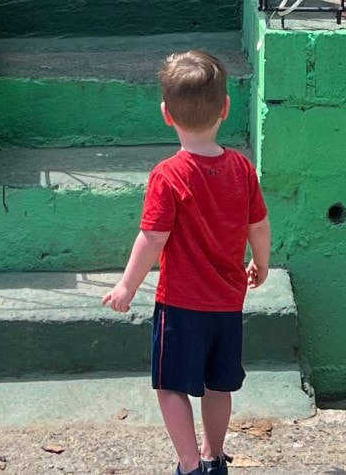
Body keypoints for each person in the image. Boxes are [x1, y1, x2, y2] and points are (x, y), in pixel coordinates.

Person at [101, 51, 270, 475]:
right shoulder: (242, 169)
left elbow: (153, 238)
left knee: (171, 386)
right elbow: (260, 224)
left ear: (166, 114)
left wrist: (126, 286)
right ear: (226, 108)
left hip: (180, 306)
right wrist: (261, 263)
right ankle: (215, 457)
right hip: (227, 304)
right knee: (219, 385)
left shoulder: (168, 174)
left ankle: (189, 464)